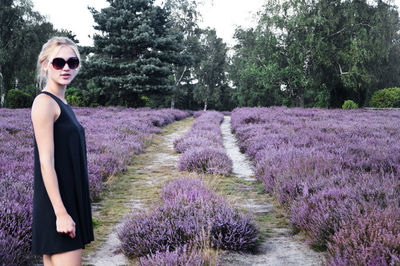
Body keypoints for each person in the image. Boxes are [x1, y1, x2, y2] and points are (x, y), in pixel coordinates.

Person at [31, 36, 94, 266]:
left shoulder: (63, 104)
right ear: (45, 65)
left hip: (66, 202)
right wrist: (60, 213)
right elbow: (45, 162)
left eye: (72, 62)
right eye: (58, 62)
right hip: (58, 205)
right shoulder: (44, 103)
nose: (66, 67)